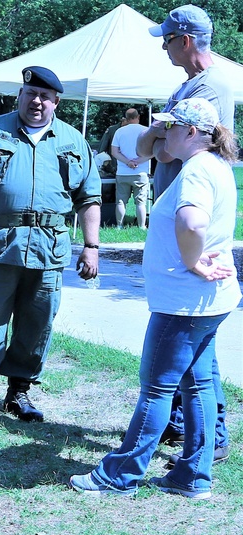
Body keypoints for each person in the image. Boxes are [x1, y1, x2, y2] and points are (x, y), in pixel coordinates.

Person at [70, 98, 240, 498]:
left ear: (193, 133)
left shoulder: (198, 169)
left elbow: (192, 220)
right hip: (205, 302)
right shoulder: (215, 165)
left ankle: (120, 475)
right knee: (196, 387)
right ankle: (192, 476)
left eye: (172, 127)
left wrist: (194, 261)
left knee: (157, 389)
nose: (164, 132)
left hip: (184, 303)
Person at [0, 66, 102, 423]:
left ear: (56, 102)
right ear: (19, 95)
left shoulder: (73, 141)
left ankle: (19, 393)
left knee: (37, 323)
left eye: (45, 96)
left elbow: (89, 197)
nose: (37, 101)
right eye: (31, 94)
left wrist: (91, 246)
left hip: (49, 249)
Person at [136, 4, 234, 465]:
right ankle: (194, 438)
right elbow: (150, 148)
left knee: (190, 349)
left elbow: (168, 150)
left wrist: (160, 139)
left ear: (187, 40)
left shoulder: (208, 90)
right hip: (180, 221)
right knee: (195, 352)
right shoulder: (189, 87)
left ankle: (206, 438)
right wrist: (156, 141)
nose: (163, 47)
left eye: (168, 39)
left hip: (187, 230)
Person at [110, 108, 148, 228]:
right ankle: (142, 227)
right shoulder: (146, 131)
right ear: (138, 117)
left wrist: (128, 162)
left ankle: (119, 226)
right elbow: (152, 152)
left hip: (122, 173)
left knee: (121, 201)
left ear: (126, 119)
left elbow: (114, 152)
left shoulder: (119, 132)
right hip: (140, 172)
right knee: (141, 203)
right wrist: (138, 161)